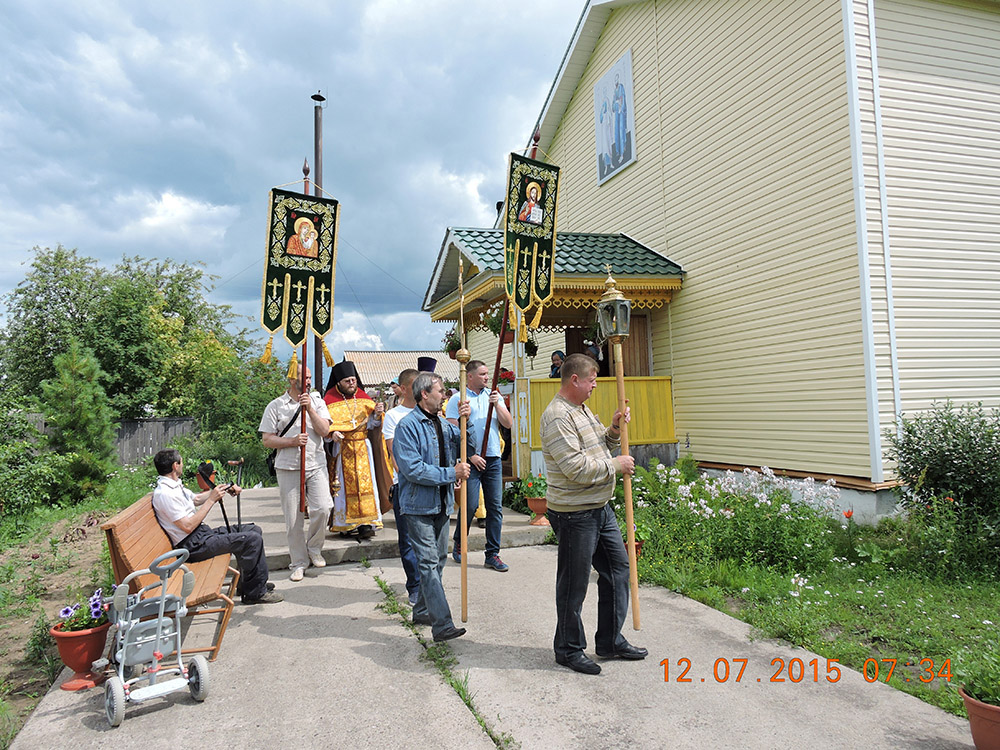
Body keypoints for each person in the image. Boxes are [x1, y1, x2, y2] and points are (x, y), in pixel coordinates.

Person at [539, 353, 646, 675]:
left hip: (599, 507)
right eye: (592, 380)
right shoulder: (558, 416)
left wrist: (613, 429)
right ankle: (568, 649)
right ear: (575, 379)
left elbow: (599, 445)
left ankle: (609, 641)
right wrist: (616, 465)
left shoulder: (581, 409)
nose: (595, 386)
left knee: (618, 571)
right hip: (574, 513)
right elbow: (574, 468)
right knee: (574, 585)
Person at [392, 372, 474, 642]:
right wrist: (452, 473)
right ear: (424, 394)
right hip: (418, 507)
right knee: (428, 563)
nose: (444, 395)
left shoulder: (443, 425)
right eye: (440, 391)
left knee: (437, 561)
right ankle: (442, 625)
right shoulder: (407, 427)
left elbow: (466, 443)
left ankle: (422, 610)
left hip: (441, 505)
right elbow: (413, 469)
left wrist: (466, 420)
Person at [151, 449, 282, 604]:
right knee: (251, 540)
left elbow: (197, 499)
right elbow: (187, 526)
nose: (183, 464)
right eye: (181, 461)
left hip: (200, 536)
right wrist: (212, 500)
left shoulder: (173, 486)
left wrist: (224, 488)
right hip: (193, 546)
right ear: (175, 465)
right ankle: (255, 593)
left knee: (253, 530)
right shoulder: (165, 494)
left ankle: (248, 584)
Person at [260, 366, 335, 582]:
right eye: (305, 377)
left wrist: (310, 409)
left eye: (311, 377)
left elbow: (325, 431)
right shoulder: (276, 406)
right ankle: (298, 562)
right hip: (288, 466)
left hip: (316, 463)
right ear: (293, 379)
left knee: (323, 508)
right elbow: (267, 439)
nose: (309, 381)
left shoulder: (318, 402)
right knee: (293, 518)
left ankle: (314, 547)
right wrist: (292, 442)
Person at [447, 360, 513, 572]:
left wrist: (498, 404)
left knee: (495, 508)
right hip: (471, 460)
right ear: (471, 376)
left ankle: (492, 553)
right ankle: (460, 542)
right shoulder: (458, 399)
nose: (487, 378)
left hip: (493, 458)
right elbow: (452, 433)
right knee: (470, 505)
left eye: (487, 374)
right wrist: (471, 455)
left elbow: (508, 423)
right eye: (483, 374)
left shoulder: (493, 396)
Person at [323, 360, 390, 539]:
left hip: (363, 448)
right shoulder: (328, 401)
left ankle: (366, 523)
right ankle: (345, 524)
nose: (352, 384)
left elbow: (373, 425)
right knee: (343, 488)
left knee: (368, 485)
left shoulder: (363, 398)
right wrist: (331, 434)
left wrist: (377, 414)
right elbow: (323, 427)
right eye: (347, 381)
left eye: (353, 380)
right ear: (338, 382)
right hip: (342, 449)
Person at [382, 368, 421, 605]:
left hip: (429, 484)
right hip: (405, 485)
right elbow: (393, 453)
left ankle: (430, 584)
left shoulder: (429, 412)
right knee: (408, 540)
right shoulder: (394, 416)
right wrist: (411, 475)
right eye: (416, 384)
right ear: (404, 388)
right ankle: (414, 586)